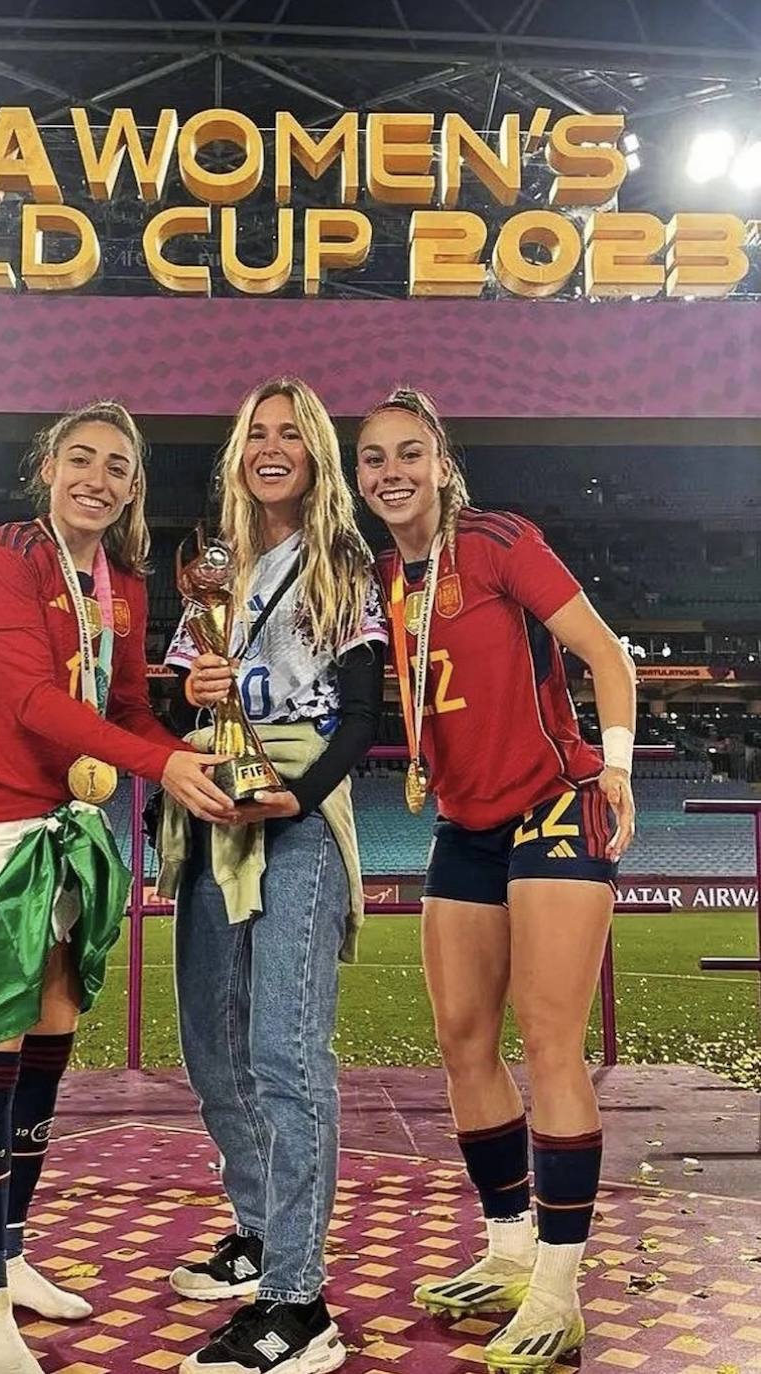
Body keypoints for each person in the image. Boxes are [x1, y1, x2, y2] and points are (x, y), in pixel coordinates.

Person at [0, 401, 231, 1374]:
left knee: (50, 1040)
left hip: (75, 828)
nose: (97, 476)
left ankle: (8, 1260)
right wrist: (159, 768)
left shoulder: (124, 583)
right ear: (49, 465)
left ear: (135, 488)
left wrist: (203, 751)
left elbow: (128, 705)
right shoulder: (1, 553)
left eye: (118, 466)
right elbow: (25, 697)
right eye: (80, 457)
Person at [355, 388, 637, 1372]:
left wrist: (620, 765)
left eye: (408, 453)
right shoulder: (390, 576)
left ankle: (559, 1290)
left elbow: (605, 655)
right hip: (466, 822)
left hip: (557, 800)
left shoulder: (500, 541)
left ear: (440, 462)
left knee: (551, 1041)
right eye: (372, 459)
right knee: (463, 1040)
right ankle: (510, 1250)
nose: (390, 472)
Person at [158, 377, 389, 1374]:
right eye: (260, 432)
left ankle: (301, 1305)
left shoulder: (341, 561)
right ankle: (259, 1235)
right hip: (211, 804)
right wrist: (189, 694)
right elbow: (174, 701)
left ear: (317, 455)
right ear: (239, 449)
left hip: (296, 811)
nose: (274, 447)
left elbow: (363, 704)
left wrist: (301, 794)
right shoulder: (214, 561)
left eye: (294, 434)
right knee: (215, 1052)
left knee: (289, 1060)